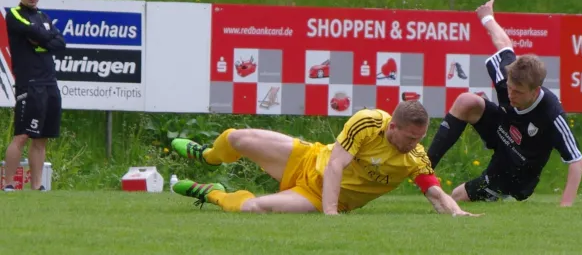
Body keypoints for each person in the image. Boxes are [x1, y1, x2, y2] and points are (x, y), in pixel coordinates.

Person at [170, 101, 482, 216]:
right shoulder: (368, 121)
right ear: (393, 126)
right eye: (411, 137)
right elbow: (335, 164)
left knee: (254, 207)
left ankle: (212, 193)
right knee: (237, 138)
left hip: (315, 196)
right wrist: (332, 216)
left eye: (420, 138)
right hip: (310, 159)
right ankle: (209, 156)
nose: (415, 144)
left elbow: (435, 192)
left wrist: (457, 214)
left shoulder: (414, 157)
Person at [426, 0, 582, 207]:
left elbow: (576, 161)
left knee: (457, 196)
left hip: (516, 171)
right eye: (509, 88)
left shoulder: (551, 113)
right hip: (503, 131)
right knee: (466, 101)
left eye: (518, 92)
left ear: (535, 91)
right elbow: (503, 44)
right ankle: (423, 169)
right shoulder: (509, 77)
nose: (510, 95)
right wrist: (487, 17)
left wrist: (565, 206)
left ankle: (506, 196)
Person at [2, 0, 66, 192]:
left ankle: (37, 186)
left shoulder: (44, 17)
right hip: (29, 83)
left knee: (42, 138)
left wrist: (41, 40)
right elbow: (33, 32)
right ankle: (8, 184)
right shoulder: (14, 15)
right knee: (22, 135)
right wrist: (45, 39)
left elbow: (60, 44)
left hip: (49, 83)